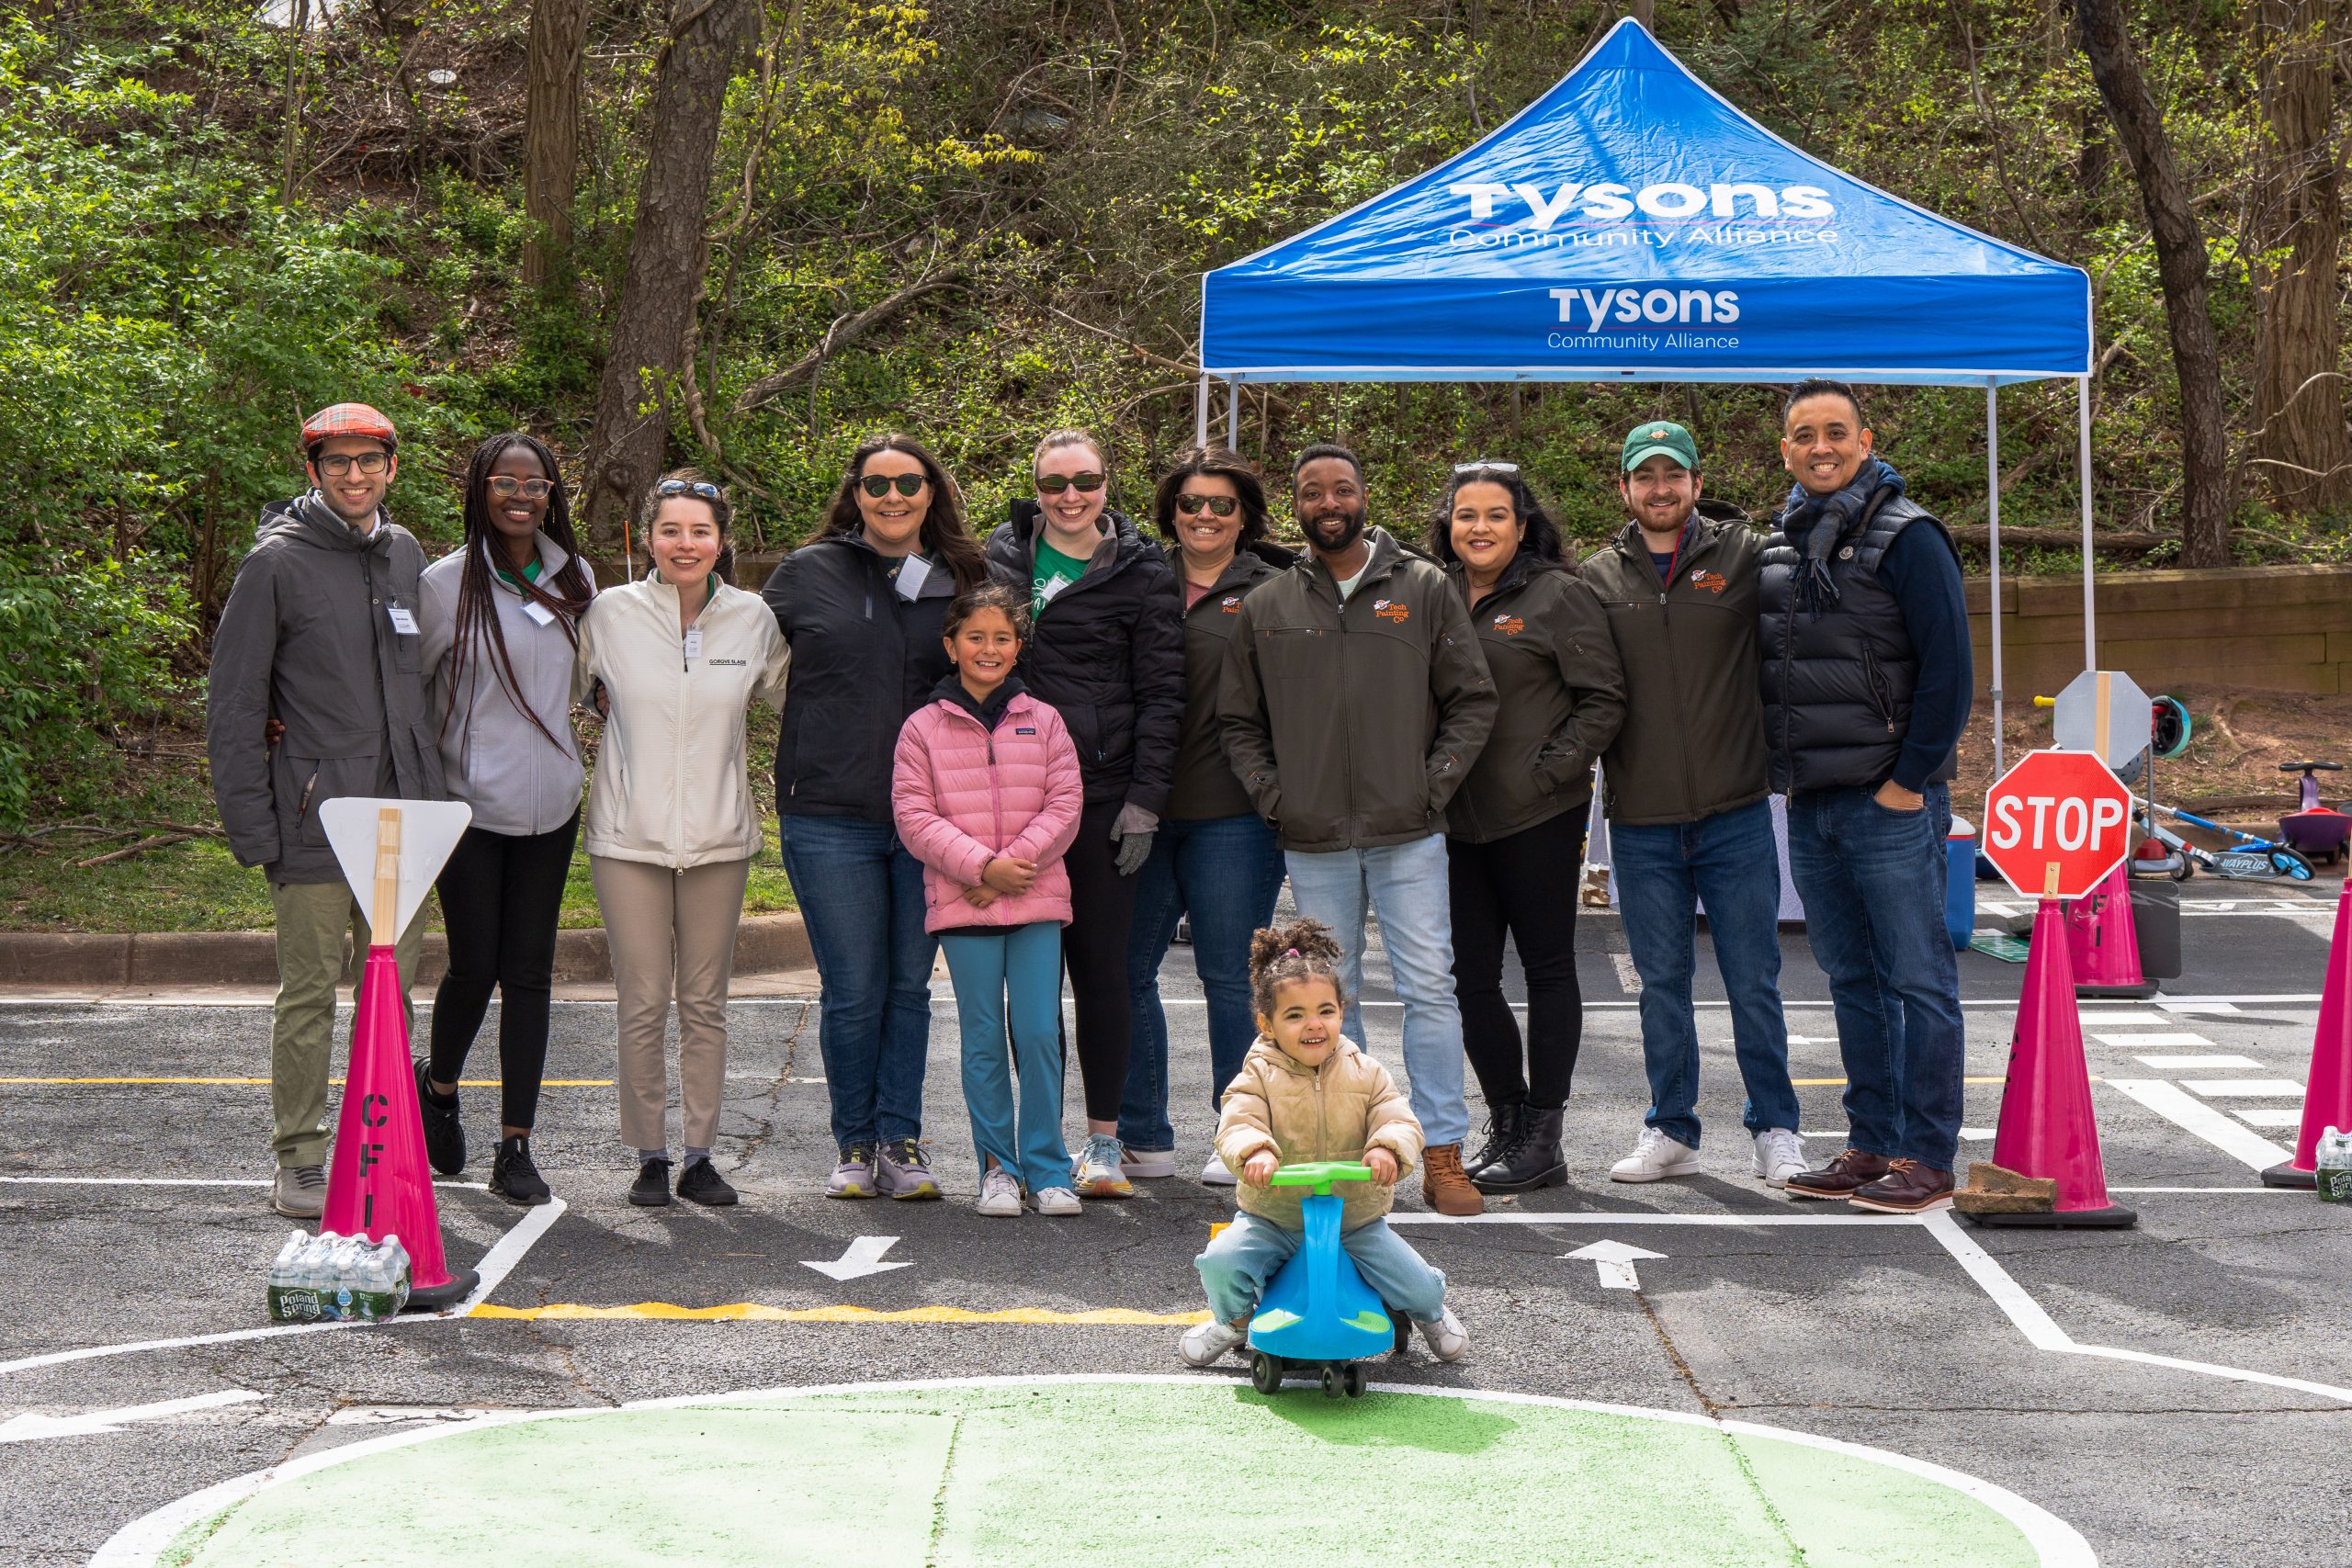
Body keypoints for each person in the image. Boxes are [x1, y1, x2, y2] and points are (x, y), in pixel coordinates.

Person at [1217, 443, 1498, 1217]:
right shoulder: (1269, 603)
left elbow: (1473, 700)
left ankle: (1438, 1150)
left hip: (1408, 827)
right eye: (1313, 491)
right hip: (1312, 835)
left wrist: (1429, 783)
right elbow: (1238, 721)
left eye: (1342, 487)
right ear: (1298, 506)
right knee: (1329, 998)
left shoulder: (1425, 587)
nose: (1329, 501)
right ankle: (1352, 1153)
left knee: (1429, 988)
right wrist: (1279, 797)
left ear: (1365, 497)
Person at [208, 402, 444, 1220]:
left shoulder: (405, 551)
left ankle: (380, 1142)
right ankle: (300, 1155)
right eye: (337, 462)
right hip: (314, 817)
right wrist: (253, 824)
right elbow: (236, 701)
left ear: (391, 467)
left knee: (391, 991)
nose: (354, 475)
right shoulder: (275, 563)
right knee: (309, 993)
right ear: (312, 470)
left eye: (368, 461)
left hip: (401, 819)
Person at [1761, 380, 1972, 1215]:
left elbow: (1950, 674)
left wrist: (1905, 782)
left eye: (1836, 432)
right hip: (1813, 804)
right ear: (1786, 449)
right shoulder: (1779, 544)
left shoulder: (1910, 536)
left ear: (1865, 437)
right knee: (1852, 978)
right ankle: (1872, 1141)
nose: (1821, 446)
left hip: (1890, 800)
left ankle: (1927, 1155)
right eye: (1805, 434)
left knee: (1918, 978)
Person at [1580, 420, 1808, 1190]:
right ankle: (1671, 1127)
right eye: (1644, 476)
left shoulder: (1743, 555)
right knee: (1662, 988)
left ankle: (1775, 1127)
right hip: (1640, 822)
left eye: (1673, 474)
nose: (1660, 488)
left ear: (1696, 483)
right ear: (1624, 489)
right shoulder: (1595, 578)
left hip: (1736, 811)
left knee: (1754, 981)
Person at [763, 434, 989, 1201]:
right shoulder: (805, 573)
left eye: (908, 483)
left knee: (908, 988)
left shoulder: (965, 577)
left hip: (932, 818)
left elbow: (999, 675)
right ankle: (853, 1142)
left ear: (933, 491)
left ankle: (901, 1138)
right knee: (853, 987)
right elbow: (731, 653)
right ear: (855, 493)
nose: (893, 497)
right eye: (876, 483)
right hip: (829, 812)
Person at [576, 471, 788, 1209]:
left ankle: (701, 1154)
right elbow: (568, 687)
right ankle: (650, 1153)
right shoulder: (608, 613)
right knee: (641, 999)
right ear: (649, 538)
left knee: (704, 1001)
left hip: (720, 840)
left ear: (722, 540)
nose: (686, 543)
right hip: (626, 837)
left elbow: (803, 696)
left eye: (700, 531)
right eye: (671, 530)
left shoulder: (754, 619)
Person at [984, 429, 1184, 1199]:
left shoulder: (1140, 570)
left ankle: (1105, 1145)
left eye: (1086, 480)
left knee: (1100, 971)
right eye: (1055, 482)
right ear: (1034, 487)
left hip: (1103, 800)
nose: (1070, 496)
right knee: (1030, 984)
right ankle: (1042, 1144)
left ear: (1109, 482)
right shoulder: (1001, 555)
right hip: (1014, 799)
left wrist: (1144, 802)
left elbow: (1165, 693)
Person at [413, 433, 596, 1206]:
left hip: (552, 804)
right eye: (504, 481)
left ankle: (515, 1145)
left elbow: (591, 681)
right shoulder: (442, 583)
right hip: (467, 808)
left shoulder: (576, 576)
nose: (521, 494)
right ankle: (442, 1086)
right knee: (474, 964)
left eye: (537, 483)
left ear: (553, 493)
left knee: (529, 971)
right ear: (480, 488)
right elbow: (411, 692)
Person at [1431, 463, 1624, 1193]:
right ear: (1448, 525)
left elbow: (1603, 698)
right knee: (1470, 979)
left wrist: (1549, 772)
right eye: (1465, 515)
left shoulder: (1559, 595)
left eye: (1495, 515)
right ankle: (1506, 1119)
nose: (1479, 527)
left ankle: (1545, 1133)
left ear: (1523, 523)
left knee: (1547, 969)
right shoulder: (1433, 591)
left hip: (1539, 815)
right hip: (1452, 818)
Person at [1119, 447, 1295, 1188]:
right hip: (1143, 813)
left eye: (1222, 504)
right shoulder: (1136, 579)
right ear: (1171, 512)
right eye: (1191, 503)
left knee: (1230, 978)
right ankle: (1140, 1134)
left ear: (1245, 515)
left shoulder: (1279, 587)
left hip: (1237, 816)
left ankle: (1241, 1135)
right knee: (1125, 972)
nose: (1205, 516)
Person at [1180, 919, 1468, 1368]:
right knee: (1221, 1261)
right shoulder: (1257, 1074)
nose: (1313, 1025)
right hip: (1274, 1217)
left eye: (1325, 1011)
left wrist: (1386, 1148)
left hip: (1354, 1218)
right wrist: (1255, 1150)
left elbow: (1398, 1117)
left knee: (1420, 1284)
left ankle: (1430, 1315)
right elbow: (1237, 1121)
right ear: (1267, 1023)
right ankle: (1233, 1322)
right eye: (1295, 1015)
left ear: (1341, 1011)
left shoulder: (1367, 1072)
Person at [892, 583, 1085, 1216]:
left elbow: (1065, 802)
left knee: (1036, 1033)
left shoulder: (1045, 718)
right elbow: (914, 814)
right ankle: (998, 1167)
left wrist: (1011, 867)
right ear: (951, 645)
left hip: (1033, 900)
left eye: (1002, 637)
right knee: (980, 1038)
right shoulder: (922, 726)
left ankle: (1050, 1167)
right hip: (965, 904)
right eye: (975, 636)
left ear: (1017, 645)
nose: (988, 648)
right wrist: (980, 866)